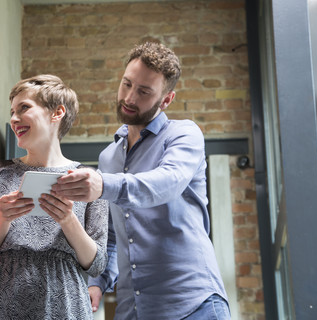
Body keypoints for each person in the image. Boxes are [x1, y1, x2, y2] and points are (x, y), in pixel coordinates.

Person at [52, 42, 230, 319]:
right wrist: (97, 283)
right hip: (133, 309)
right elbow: (113, 235)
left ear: (166, 99)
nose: (129, 98)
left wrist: (104, 185)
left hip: (194, 304)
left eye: (144, 91)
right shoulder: (109, 157)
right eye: (126, 84)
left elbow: (167, 183)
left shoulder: (183, 135)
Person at [0, 74, 109, 319]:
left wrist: (68, 220)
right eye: (12, 111)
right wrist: (2, 219)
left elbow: (98, 264)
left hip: (67, 306)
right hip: (4, 303)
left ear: (57, 113)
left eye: (24, 108)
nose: (14, 119)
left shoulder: (88, 180)